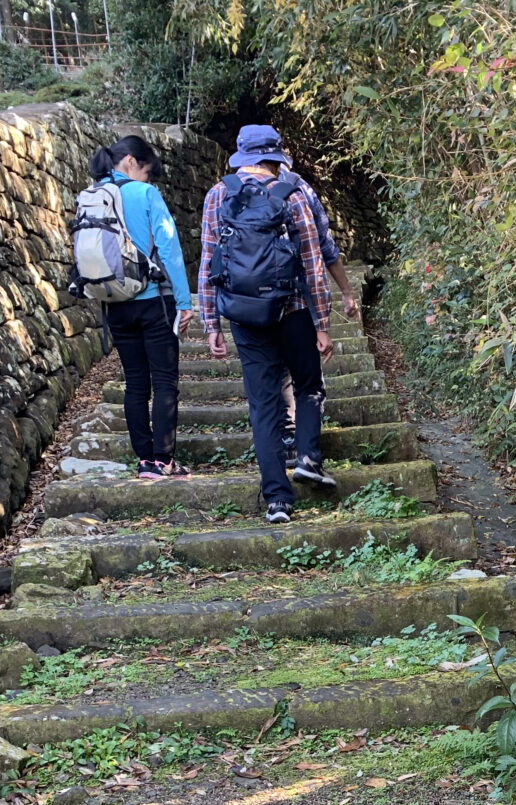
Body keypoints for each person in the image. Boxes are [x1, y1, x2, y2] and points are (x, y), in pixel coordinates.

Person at [198, 126, 333, 523]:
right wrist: (322, 323)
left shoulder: (216, 195)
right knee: (308, 385)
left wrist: (211, 324)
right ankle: (308, 458)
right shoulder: (291, 194)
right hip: (291, 311)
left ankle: (277, 500)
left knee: (263, 405)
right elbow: (312, 262)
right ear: (276, 159)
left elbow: (210, 263)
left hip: (242, 314)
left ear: (242, 158)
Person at [86, 136, 193, 478]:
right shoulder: (143, 193)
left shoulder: (93, 195)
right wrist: (184, 300)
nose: (146, 178)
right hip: (153, 301)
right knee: (163, 380)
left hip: (115, 304)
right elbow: (169, 247)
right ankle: (163, 459)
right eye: (146, 171)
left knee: (135, 382)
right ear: (131, 162)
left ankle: (145, 460)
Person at [278, 148, 361, 465]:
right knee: (307, 378)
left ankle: (287, 438)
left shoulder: (231, 189)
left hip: (251, 305)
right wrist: (344, 293)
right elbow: (323, 247)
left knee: (277, 372)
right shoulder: (298, 189)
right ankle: (306, 451)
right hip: (297, 299)